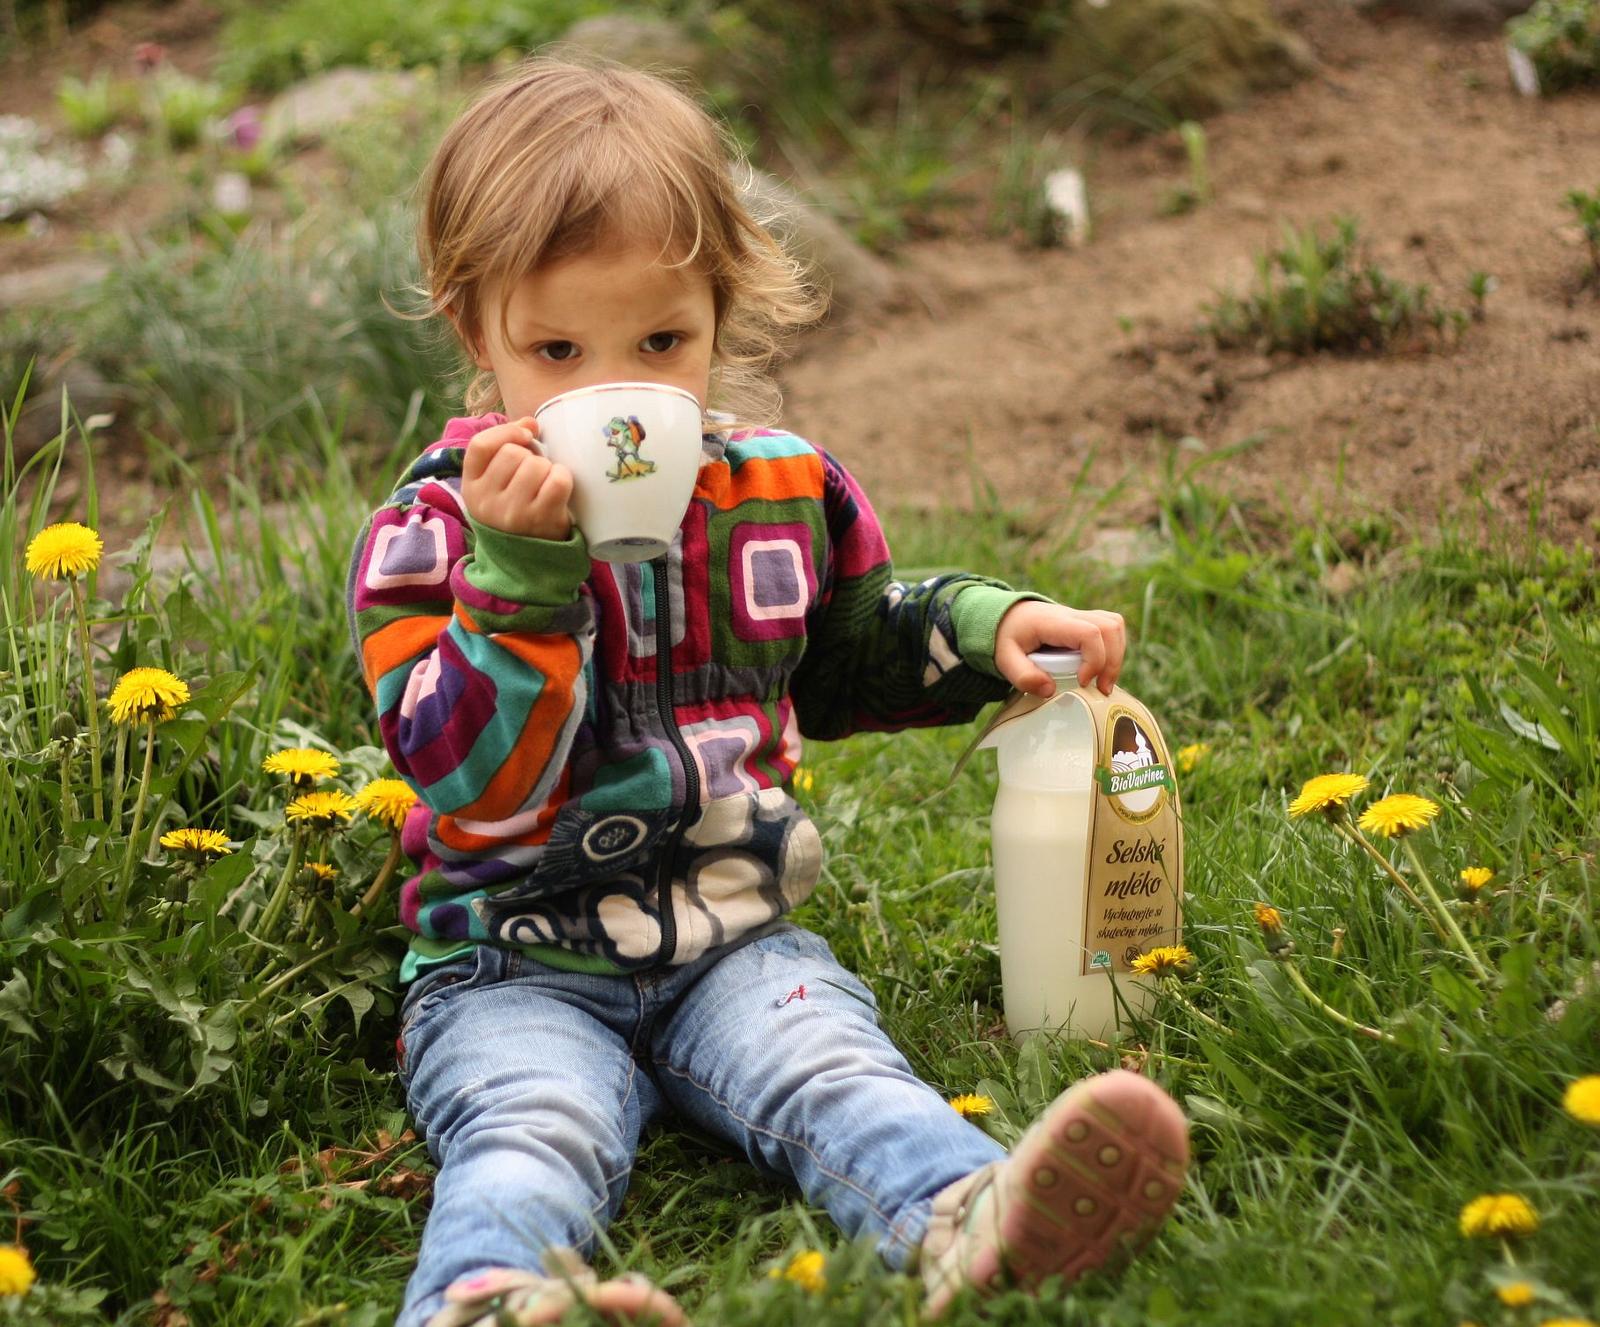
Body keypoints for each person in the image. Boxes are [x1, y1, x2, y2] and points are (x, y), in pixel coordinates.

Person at [347, 55, 1189, 1327]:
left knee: (834, 1064)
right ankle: (492, 1299)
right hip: (510, 960)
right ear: (478, 334)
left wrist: (987, 627)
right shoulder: (435, 531)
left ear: (719, 312)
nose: (614, 395)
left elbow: (847, 651)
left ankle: (964, 1215)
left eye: (661, 342)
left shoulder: (781, 490)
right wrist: (518, 578)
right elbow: (464, 779)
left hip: (731, 936)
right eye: (558, 350)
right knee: (530, 1124)